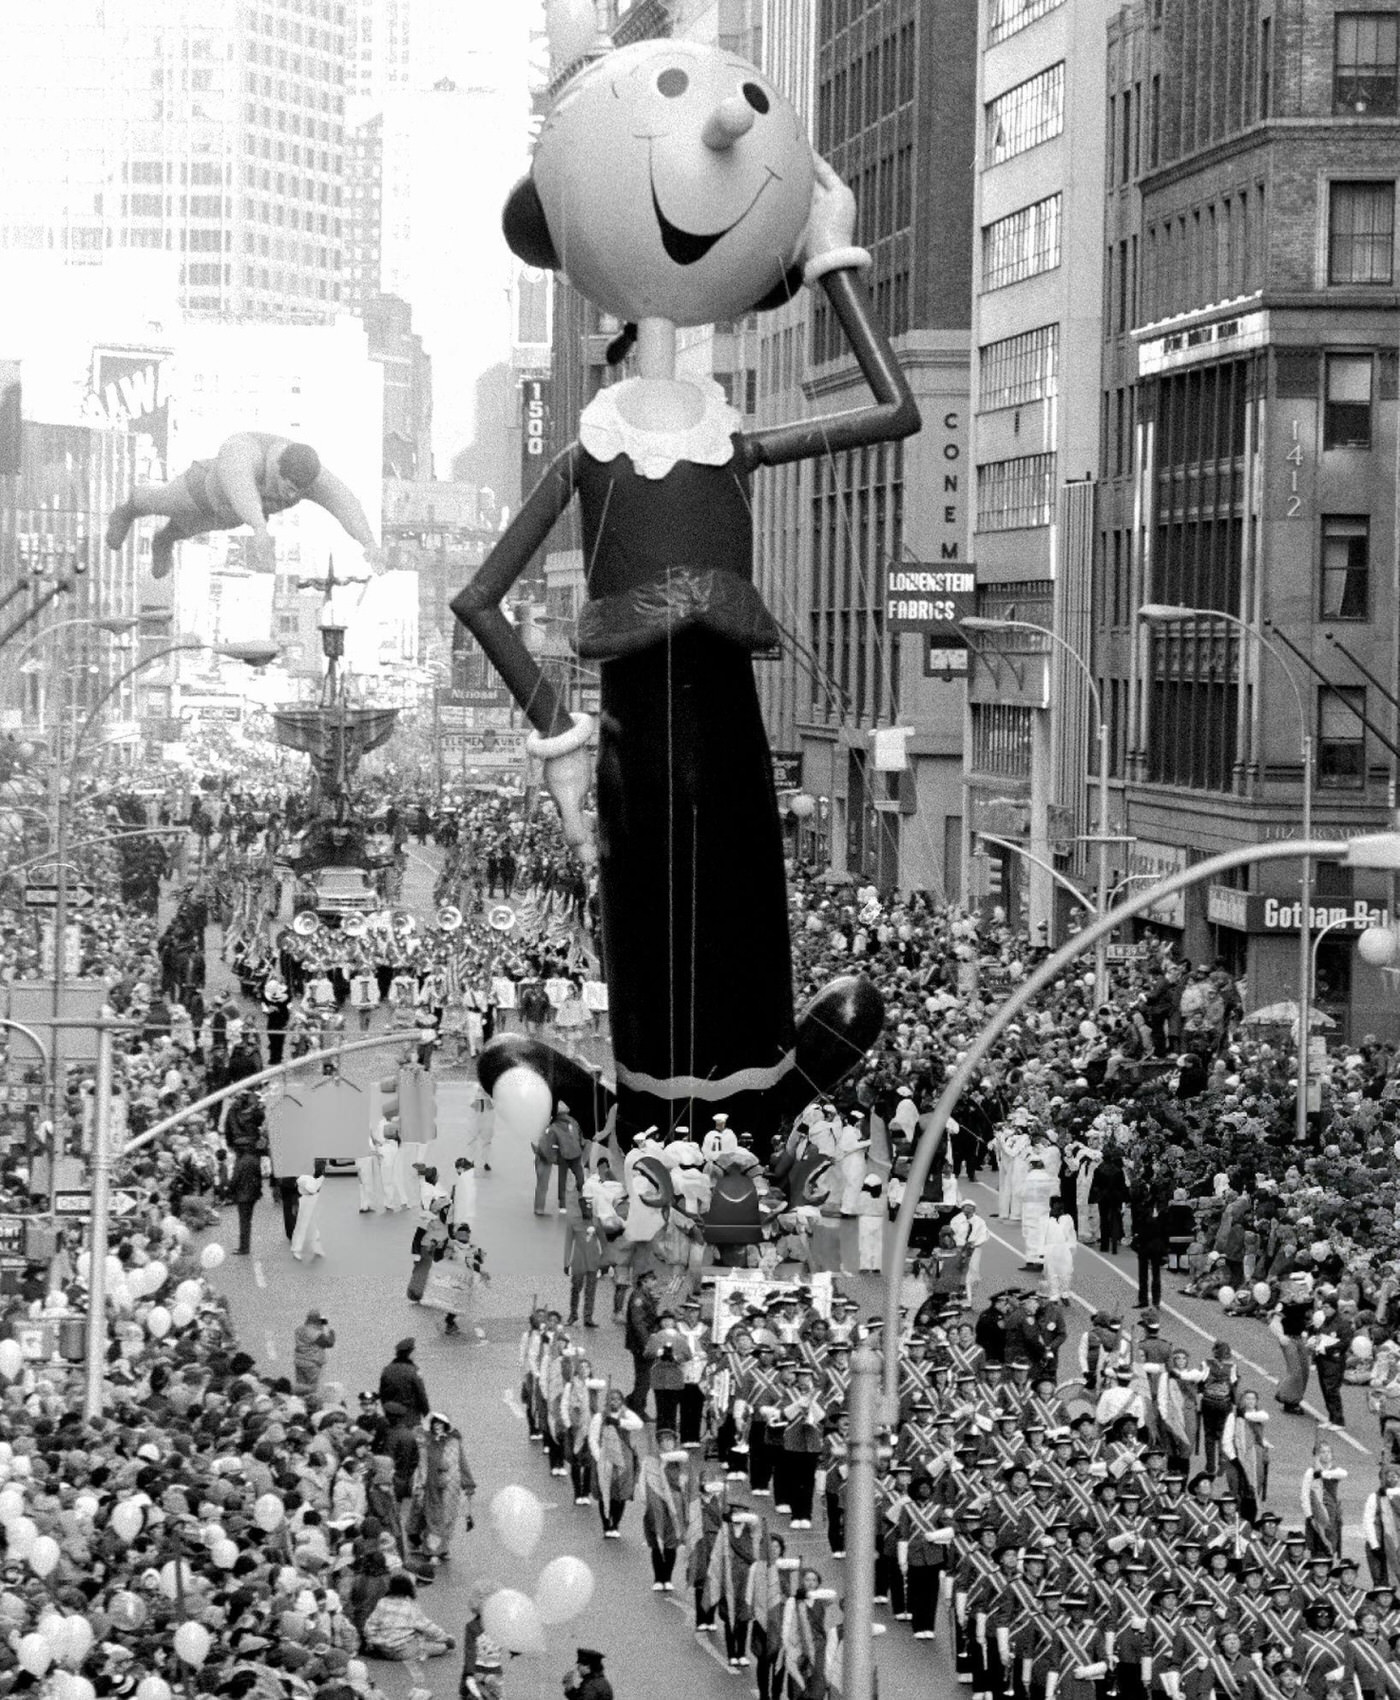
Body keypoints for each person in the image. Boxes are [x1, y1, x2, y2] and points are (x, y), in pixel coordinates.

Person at [105, 431, 381, 578]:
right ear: (277, 467)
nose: (289, 496)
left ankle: (163, 540)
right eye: (287, 487)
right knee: (159, 502)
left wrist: (368, 542)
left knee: (187, 529)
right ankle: (126, 510)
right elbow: (240, 487)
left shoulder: (311, 477)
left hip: (226, 516)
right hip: (199, 489)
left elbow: (345, 502)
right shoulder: (246, 450)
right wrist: (259, 527)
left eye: (298, 491)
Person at [411, 1412, 476, 1564]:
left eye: (441, 1424)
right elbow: (422, 1466)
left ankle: (443, 1548)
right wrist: (420, 1485)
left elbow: (462, 1463)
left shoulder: (455, 1442)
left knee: (448, 1518)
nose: (437, 1426)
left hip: (451, 1488)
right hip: (432, 1487)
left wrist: (468, 1484)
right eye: (435, 1424)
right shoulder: (426, 1444)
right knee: (433, 1519)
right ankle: (433, 1552)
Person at [361, 1572, 455, 1661]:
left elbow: (369, 1626)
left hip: (382, 1649)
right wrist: (446, 1638)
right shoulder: (410, 1606)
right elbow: (428, 1627)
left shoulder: (382, 1602)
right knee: (442, 1647)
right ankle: (423, 1652)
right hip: (402, 1650)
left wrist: (371, 1641)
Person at [564, 1194, 604, 1329]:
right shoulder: (573, 1221)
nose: (588, 1211)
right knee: (576, 1288)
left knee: (591, 1290)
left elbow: (604, 1242)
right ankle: (573, 1314)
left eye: (590, 1208)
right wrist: (566, 1263)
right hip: (579, 1261)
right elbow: (568, 1243)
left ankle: (588, 1317)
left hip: (593, 1260)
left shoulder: (596, 1221)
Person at [625, 1270, 660, 1418]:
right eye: (652, 1280)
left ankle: (632, 1401)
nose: (655, 1282)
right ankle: (637, 1409)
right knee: (644, 1379)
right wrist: (647, 1343)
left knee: (644, 1377)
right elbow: (638, 1322)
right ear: (644, 1281)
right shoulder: (638, 1297)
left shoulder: (646, 1295)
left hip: (643, 1341)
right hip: (640, 1344)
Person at [379, 1337, 431, 1421]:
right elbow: (420, 1393)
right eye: (414, 1352)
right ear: (409, 1354)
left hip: (392, 1415)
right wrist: (426, 1412)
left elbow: (382, 1394)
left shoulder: (387, 1370)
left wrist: (387, 1411)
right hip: (411, 1415)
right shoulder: (413, 1371)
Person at [228, 1144, 263, 1255]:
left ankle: (243, 1247)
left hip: (242, 1195)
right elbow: (259, 1176)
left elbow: (235, 1179)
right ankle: (245, 1246)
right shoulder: (254, 1160)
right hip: (252, 1194)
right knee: (248, 1221)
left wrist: (230, 1191)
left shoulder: (240, 1162)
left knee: (244, 1221)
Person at [292, 1308, 335, 1395]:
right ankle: (312, 1405)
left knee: (301, 1388)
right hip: (312, 1364)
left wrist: (321, 1326)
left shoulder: (300, 1329)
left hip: (299, 1362)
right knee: (313, 1389)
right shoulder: (314, 1332)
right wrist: (330, 1330)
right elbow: (329, 1343)